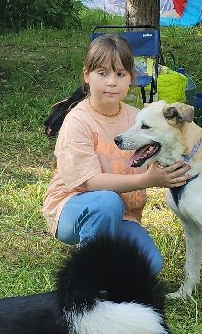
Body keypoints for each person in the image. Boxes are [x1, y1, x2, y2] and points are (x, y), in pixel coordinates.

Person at [42, 34, 189, 274]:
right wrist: (148, 180)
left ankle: (106, 257)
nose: (112, 82)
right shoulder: (78, 120)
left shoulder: (138, 118)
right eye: (103, 73)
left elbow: (167, 147)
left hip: (123, 215)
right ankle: (89, 271)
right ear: (86, 75)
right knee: (106, 201)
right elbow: (90, 182)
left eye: (120, 74)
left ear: (131, 78)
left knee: (150, 266)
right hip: (74, 208)